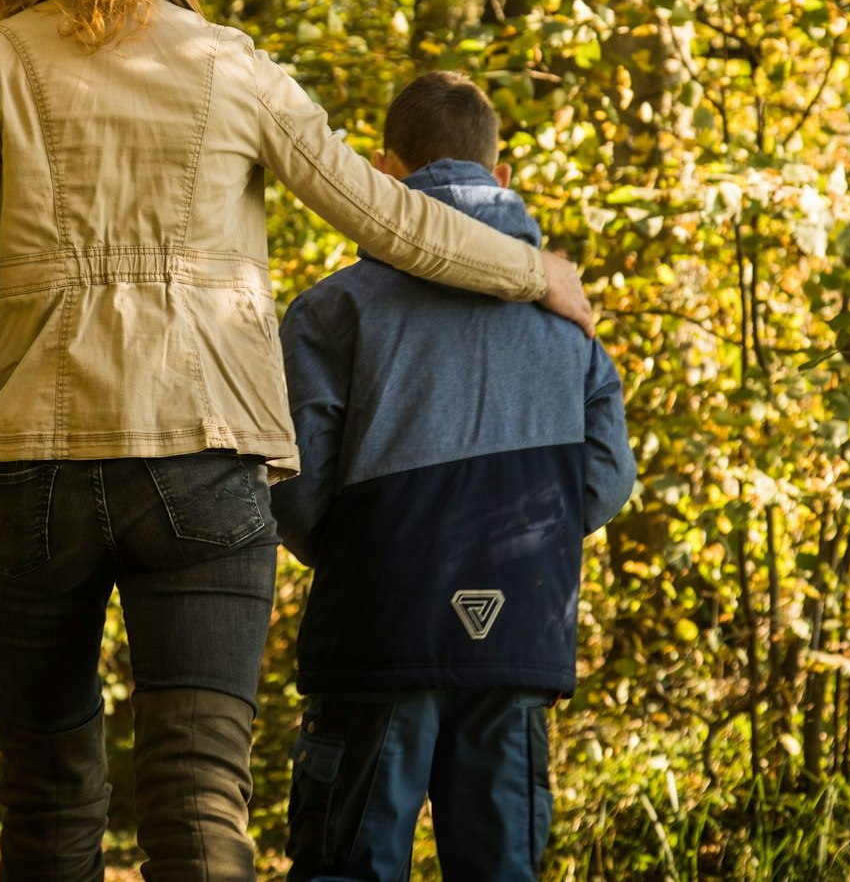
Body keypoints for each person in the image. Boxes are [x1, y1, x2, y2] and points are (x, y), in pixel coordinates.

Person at [0, 0, 595, 882]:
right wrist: (532, 270)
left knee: (47, 796)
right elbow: (384, 216)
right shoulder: (235, 69)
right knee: (196, 802)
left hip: (28, 471)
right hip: (204, 466)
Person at [272, 71, 636, 882]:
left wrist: (370, 549)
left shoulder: (334, 309)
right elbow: (607, 476)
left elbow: (294, 484)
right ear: (500, 175)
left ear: (384, 171)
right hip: (519, 634)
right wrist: (526, 539)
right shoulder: (568, 318)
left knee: (349, 868)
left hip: (377, 628)